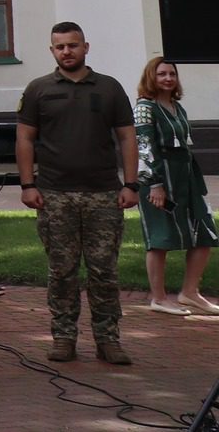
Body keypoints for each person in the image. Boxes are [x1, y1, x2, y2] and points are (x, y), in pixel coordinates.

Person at [16, 21, 138, 365]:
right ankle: (64, 336)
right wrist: (28, 185)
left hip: (103, 194)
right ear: (52, 50)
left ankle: (108, 339)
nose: (66, 52)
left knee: (104, 271)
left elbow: (127, 137)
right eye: (60, 47)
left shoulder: (109, 88)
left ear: (86, 47)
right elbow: (24, 138)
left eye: (72, 45)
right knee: (62, 271)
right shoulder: (39, 89)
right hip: (54, 194)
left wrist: (131, 184)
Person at [134, 56, 217, 315]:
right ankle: (158, 298)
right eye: (162, 74)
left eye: (171, 73)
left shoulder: (177, 107)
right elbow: (145, 148)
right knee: (161, 237)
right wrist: (155, 185)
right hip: (159, 179)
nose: (168, 78)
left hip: (187, 178)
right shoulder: (145, 107)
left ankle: (189, 293)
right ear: (152, 77)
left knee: (205, 232)